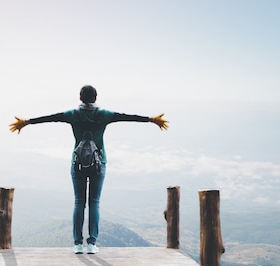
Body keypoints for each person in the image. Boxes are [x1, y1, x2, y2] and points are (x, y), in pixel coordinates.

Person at [9, 85, 168, 254]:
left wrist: (26, 122)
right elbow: (126, 117)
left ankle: (77, 244)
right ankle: (92, 244)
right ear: (96, 97)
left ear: (80, 98)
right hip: (99, 164)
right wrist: (151, 119)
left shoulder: (72, 115)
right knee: (94, 203)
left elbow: (50, 118)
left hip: (77, 163)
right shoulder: (104, 115)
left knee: (79, 203)